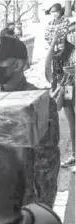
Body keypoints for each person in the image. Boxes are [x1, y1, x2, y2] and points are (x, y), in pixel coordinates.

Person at [0, 35, 61, 208]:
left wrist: (42, 207)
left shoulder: (38, 102)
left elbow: (46, 161)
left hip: (27, 197)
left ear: (17, 65)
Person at [45, 22, 75, 169]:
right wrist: (52, 44)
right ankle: (75, 155)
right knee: (72, 125)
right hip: (68, 91)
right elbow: (48, 71)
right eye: (70, 31)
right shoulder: (60, 57)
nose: (72, 34)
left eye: (74, 31)